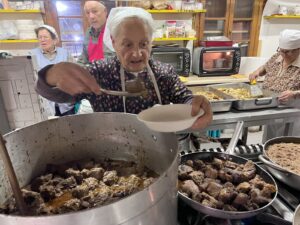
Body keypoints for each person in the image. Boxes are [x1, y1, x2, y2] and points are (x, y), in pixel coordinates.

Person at [35, 7, 212, 130]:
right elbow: (56, 95)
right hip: (113, 155)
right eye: (127, 45)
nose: (136, 54)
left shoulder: (163, 73)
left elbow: (185, 99)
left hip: (159, 152)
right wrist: (52, 75)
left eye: (143, 44)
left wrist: (197, 105)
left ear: (152, 42)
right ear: (113, 42)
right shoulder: (99, 73)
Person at [249, 29, 300, 140]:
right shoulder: (278, 56)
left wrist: (294, 93)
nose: (283, 54)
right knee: (269, 139)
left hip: (293, 109)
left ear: (298, 49)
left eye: (287, 52)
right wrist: (257, 72)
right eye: (281, 50)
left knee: (288, 143)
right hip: (273, 106)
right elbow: (265, 67)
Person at [31, 25, 76, 117]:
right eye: (40, 37)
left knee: (70, 127)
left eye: (45, 37)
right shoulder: (32, 55)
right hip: (44, 102)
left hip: (66, 101)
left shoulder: (65, 53)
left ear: (54, 39)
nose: (42, 40)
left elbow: (74, 73)